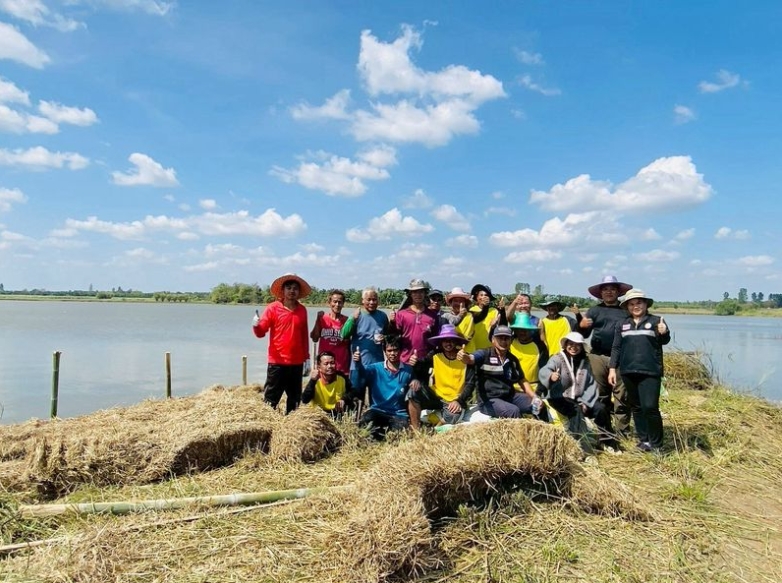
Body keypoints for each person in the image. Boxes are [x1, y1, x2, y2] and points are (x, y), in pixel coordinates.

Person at [608, 289, 671, 452]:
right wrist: (612, 369)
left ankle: (657, 444)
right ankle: (645, 440)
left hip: (650, 372)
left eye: (639, 303)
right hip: (628, 371)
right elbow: (616, 347)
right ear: (627, 307)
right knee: (636, 407)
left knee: (650, 407)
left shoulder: (657, 321)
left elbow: (665, 341)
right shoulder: (622, 324)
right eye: (632, 304)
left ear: (645, 304)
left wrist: (664, 332)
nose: (636, 306)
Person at [572, 275, 633, 437]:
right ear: (601, 293)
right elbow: (582, 335)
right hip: (597, 356)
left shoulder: (626, 311)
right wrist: (580, 325)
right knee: (600, 395)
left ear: (618, 292)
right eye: (605, 289)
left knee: (622, 396)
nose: (609, 292)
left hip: (622, 357)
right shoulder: (594, 310)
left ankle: (622, 432)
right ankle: (605, 431)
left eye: (612, 289)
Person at [539, 332, 619, 452]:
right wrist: (551, 375)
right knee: (575, 410)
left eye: (577, 345)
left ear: (582, 347)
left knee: (601, 408)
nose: (573, 347)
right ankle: (584, 450)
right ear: (565, 345)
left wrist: (585, 402)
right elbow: (545, 370)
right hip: (559, 397)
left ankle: (607, 441)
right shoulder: (557, 358)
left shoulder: (585, 362)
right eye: (570, 344)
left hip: (579, 398)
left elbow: (588, 384)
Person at [457, 325, 546, 420]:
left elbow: (522, 380)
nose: (503, 341)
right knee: (513, 411)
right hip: (489, 400)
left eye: (506, 338)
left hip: (510, 397)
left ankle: (545, 431)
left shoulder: (512, 360)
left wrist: (534, 397)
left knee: (539, 405)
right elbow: (471, 359)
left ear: (511, 341)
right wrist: (464, 357)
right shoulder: (484, 354)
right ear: (493, 340)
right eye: (500, 338)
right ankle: (521, 434)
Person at [252, 273, 310, 414]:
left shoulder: (302, 310)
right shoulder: (272, 308)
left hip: (296, 363)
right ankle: (268, 426)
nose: (292, 291)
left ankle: (291, 428)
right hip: (277, 362)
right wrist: (256, 325)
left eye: (295, 288)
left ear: (299, 292)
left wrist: (307, 358)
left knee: (295, 400)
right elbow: (261, 332)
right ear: (283, 291)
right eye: (289, 288)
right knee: (271, 399)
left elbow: (304, 335)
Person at [352, 336, 417, 440]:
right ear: (384, 352)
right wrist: (358, 363)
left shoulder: (408, 370)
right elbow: (362, 374)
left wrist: (415, 380)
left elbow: (416, 382)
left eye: (395, 350)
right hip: (377, 410)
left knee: (399, 438)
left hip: (398, 414)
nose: (392, 353)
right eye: (389, 350)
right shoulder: (375, 368)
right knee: (365, 427)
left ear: (401, 351)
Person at [408, 324, 469, 429]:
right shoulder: (435, 355)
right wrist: (415, 362)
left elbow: (470, 384)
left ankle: (436, 426)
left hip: (454, 400)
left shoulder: (465, 358)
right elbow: (421, 365)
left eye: (451, 340)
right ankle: (416, 430)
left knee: (453, 416)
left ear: (456, 342)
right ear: (441, 342)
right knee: (412, 392)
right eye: (445, 340)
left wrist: (459, 401)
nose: (448, 343)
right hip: (436, 396)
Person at [389, 278, 440, 365]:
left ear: (425, 293)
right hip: (405, 360)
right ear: (410, 294)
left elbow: (435, 340)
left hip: (425, 362)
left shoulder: (432, 316)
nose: (418, 295)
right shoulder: (401, 314)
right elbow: (393, 337)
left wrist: (429, 359)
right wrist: (392, 322)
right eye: (415, 292)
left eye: (421, 292)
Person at [301, 351, 355, 416]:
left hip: (337, 413)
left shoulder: (342, 377)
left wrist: (344, 399)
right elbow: (305, 399)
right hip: (319, 414)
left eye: (332, 363)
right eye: (326, 364)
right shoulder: (315, 380)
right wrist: (312, 381)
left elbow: (353, 391)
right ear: (319, 367)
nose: (330, 366)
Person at [310, 289, 351, 374]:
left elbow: (350, 343)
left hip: (341, 366)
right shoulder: (322, 318)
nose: (337, 305)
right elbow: (314, 338)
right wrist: (318, 320)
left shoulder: (347, 321)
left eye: (340, 302)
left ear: (343, 304)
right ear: (329, 302)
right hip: (324, 366)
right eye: (334, 302)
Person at [508, 312, 548, 394]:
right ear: (515, 330)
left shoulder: (540, 346)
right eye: (520, 329)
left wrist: (540, 389)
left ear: (531, 330)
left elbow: (545, 369)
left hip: (533, 388)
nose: (523, 332)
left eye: (526, 329)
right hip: (512, 388)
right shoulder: (509, 343)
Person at [463, 284, 504, 352]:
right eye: (481, 295)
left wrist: (502, 311)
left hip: (490, 348)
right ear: (477, 298)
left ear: (490, 298)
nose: (484, 297)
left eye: (486, 295)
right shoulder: (472, 311)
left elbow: (502, 325)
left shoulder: (494, 311)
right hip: (474, 348)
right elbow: (478, 318)